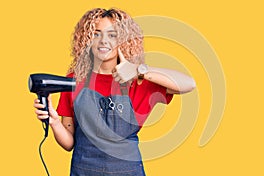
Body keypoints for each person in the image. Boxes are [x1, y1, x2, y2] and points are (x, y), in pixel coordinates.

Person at [33, 7, 195, 176]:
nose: (103, 40)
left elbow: (188, 84)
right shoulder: (74, 80)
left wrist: (139, 70)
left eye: (112, 35)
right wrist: (54, 122)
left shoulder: (138, 81)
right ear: (87, 40)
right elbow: (69, 144)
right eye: (96, 34)